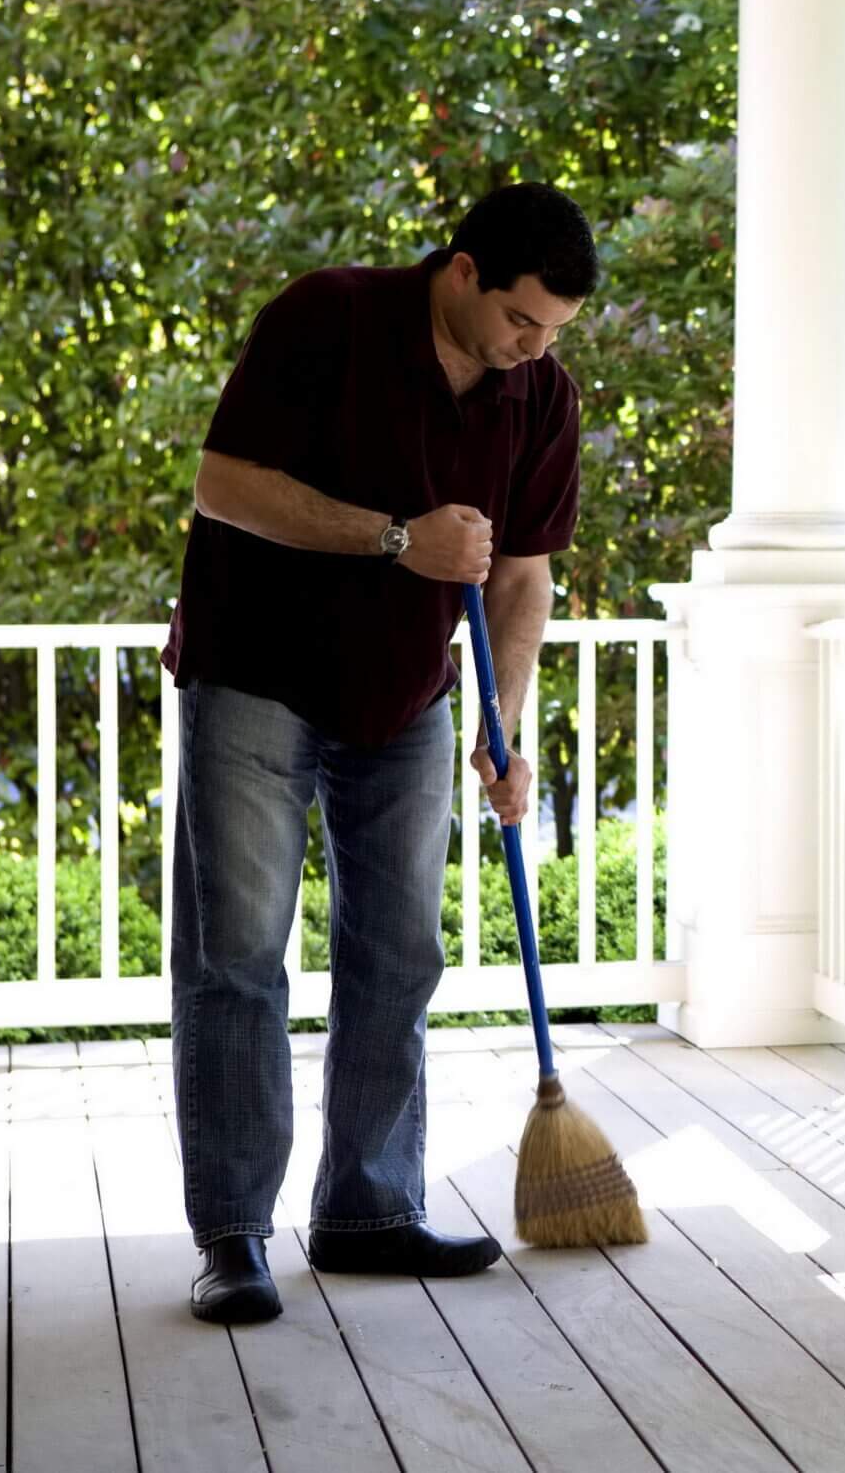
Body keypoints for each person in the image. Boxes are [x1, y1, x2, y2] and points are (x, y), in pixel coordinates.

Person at [160, 183, 592, 1324]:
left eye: (551, 331)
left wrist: (510, 731)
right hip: (255, 674)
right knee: (238, 958)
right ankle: (235, 1234)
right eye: (520, 321)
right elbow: (222, 486)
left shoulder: (539, 393)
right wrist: (400, 539)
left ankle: (366, 1207)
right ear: (462, 272)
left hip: (408, 696)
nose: (531, 349)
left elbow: (521, 572)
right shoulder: (326, 317)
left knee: (400, 953)